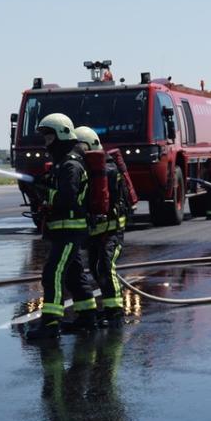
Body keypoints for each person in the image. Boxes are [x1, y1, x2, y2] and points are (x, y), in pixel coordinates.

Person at [26, 113, 98, 339]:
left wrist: (43, 190)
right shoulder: (62, 164)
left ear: (61, 135)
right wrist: (36, 185)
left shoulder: (71, 165)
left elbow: (67, 198)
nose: (46, 143)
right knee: (74, 275)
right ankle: (87, 317)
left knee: (53, 272)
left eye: (49, 137)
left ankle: (50, 323)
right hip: (63, 229)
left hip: (70, 230)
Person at [74, 126, 127, 326]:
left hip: (112, 231)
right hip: (95, 233)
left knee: (106, 266)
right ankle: (106, 310)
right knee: (96, 270)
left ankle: (115, 312)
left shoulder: (108, 170)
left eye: (82, 147)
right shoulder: (87, 170)